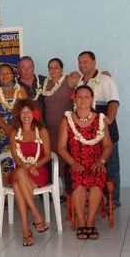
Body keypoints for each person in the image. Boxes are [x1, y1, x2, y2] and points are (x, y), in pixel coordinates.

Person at [58, 85, 113, 240]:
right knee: (79, 181)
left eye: (86, 96)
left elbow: (108, 146)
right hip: (75, 163)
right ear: (74, 99)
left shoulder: (100, 119)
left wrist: (102, 161)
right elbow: (61, 148)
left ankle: (90, 222)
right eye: (79, 96)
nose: (83, 99)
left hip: (97, 162)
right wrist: (72, 162)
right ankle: (81, 221)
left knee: (97, 180)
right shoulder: (66, 120)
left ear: (92, 99)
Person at [76, 51, 120, 207]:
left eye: (86, 61)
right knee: (94, 167)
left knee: (111, 166)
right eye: (80, 62)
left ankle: (113, 200)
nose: (82, 65)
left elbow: (113, 103)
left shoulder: (105, 80)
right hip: (87, 135)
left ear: (94, 62)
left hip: (106, 131)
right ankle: (95, 198)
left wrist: (108, 120)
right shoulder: (79, 82)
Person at [9, 98, 50, 246]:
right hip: (22, 169)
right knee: (19, 172)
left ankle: (26, 229)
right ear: (18, 115)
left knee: (17, 187)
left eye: (29, 112)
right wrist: (25, 165)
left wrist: (35, 164)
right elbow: (15, 156)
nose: (26, 115)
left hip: (39, 171)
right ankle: (36, 214)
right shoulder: (14, 133)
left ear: (34, 113)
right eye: (22, 112)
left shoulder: (42, 130)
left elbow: (47, 155)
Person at [42, 58, 77, 202]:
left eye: (56, 67)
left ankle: (69, 191)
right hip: (50, 129)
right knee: (55, 159)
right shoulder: (46, 83)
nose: (53, 70)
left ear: (62, 69)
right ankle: (59, 190)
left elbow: (88, 83)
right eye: (50, 67)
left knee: (66, 159)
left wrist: (103, 74)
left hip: (66, 128)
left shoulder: (69, 79)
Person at [0, 63, 27, 178]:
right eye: (1, 73)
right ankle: (4, 190)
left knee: (21, 159)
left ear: (13, 75)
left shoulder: (21, 90)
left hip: (21, 132)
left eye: (8, 73)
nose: (5, 76)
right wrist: (6, 128)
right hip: (1, 133)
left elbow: (28, 109)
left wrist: (18, 128)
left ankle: (22, 186)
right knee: (5, 162)